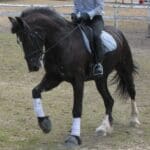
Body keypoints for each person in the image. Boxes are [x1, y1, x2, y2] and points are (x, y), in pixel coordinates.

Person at [71, 0, 104, 76]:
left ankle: (98, 64)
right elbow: (76, 7)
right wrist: (74, 14)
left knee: (96, 35)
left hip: (95, 19)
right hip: (81, 19)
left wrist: (88, 14)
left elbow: (100, 7)